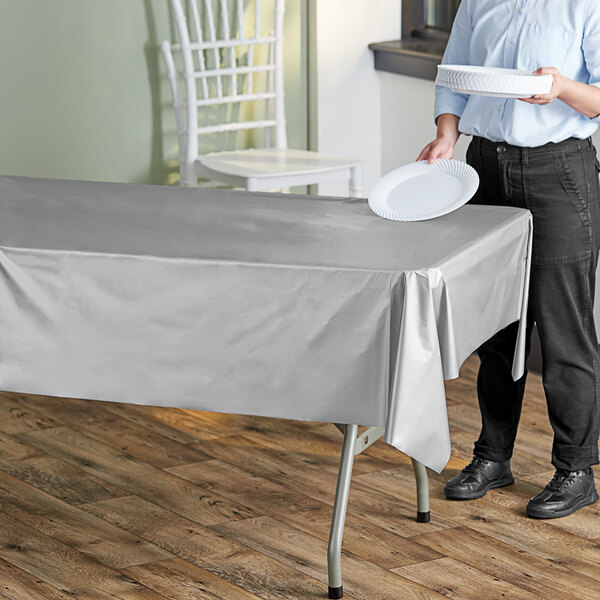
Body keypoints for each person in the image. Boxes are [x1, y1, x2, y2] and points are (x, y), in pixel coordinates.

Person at [418, 0, 600, 518]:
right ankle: (492, 457)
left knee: (565, 332)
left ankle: (575, 470)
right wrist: (446, 134)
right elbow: (453, 73)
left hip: (558, 172)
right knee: (497, 327)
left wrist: (561, 88)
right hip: (485, 167)